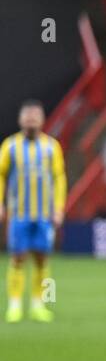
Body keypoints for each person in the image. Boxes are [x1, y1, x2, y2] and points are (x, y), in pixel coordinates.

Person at [1, 100, 66, 324]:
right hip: (19, 213)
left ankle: (41, 304)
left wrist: (58, 208)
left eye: (35, 117)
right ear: (20, 120)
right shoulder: (10, 146)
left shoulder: (51, 147)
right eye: (27, 117)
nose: (31, 121)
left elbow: (59, 178)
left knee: (42, 259)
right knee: (17, 258)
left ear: (42, 120)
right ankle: (15, 306)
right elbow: (0, 176)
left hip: (44, 215)